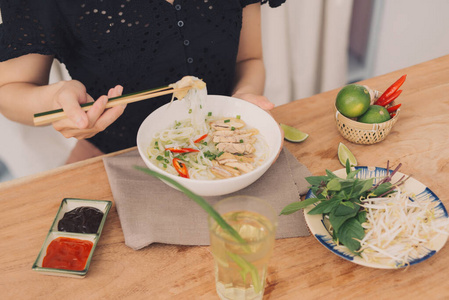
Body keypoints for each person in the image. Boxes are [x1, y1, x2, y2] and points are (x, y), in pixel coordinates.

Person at [0, 0, 285, 163]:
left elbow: (248, 60)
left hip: (223, 148)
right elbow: (10, 91)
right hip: (112, 159)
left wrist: (245, 96)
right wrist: (57, 97)